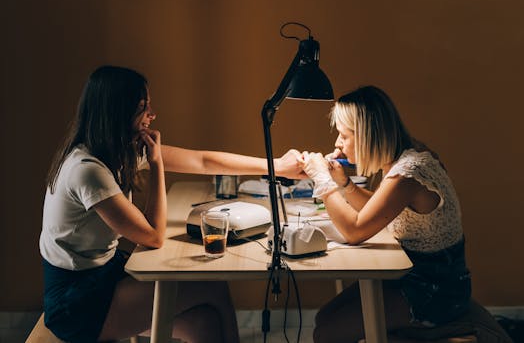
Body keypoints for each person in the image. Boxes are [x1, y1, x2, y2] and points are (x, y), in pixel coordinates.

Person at [40, 65, 304, 343]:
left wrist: (276, 167)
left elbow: (202, 161)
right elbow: (154, 236)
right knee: (213, 288)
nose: (152, 115)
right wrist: (156, 164)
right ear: (117, 112)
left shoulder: (116, 150)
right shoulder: (87, 170)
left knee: (205, 324)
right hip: (76, 301)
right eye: (143, 107)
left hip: (104, 276)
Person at [299, 85, 471, 343]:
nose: (337, 143)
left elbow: (356, 231)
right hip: (412, 276)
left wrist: (322, 180)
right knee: (324, 318)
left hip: (435, 290)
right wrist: (344, 184)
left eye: (344, 136)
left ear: (368, 135)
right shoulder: (402, 156)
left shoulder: (410, 171)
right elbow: (379, 210)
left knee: (327, 333)